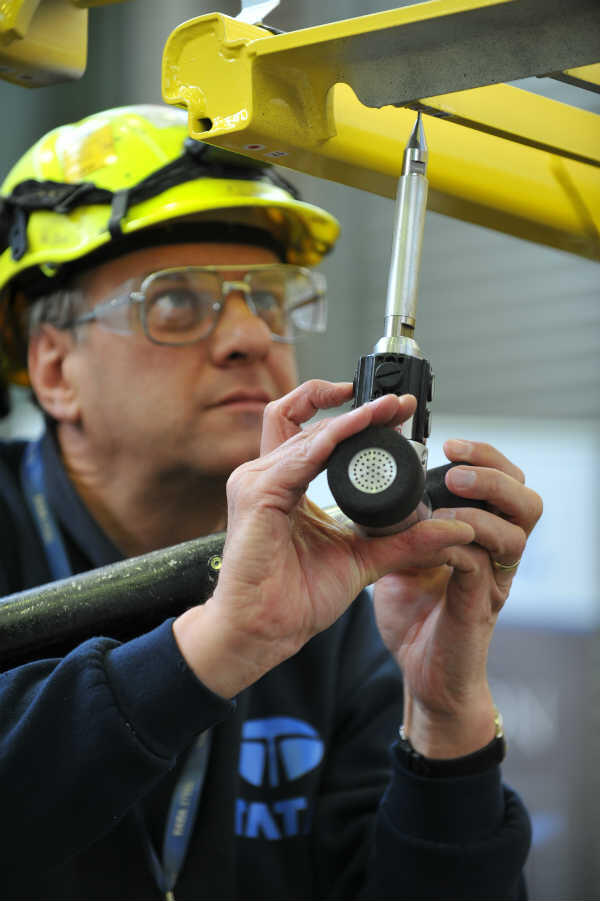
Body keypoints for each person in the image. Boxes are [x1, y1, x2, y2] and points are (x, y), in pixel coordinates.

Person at [0, 105, 542, 901]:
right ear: (54, 369)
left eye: (271, 297)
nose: (252, 335)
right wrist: (217, 644)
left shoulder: (338, 587)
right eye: (176, 301)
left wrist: (445, 716)